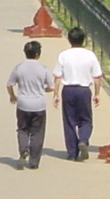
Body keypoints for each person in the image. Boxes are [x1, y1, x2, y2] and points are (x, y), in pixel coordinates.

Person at [51, 26, 102, 160]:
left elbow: (57, 77)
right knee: (86, 119)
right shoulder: (90, 55)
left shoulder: (64, 55)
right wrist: (97, 93)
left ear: (69, 39)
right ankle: (83, 140)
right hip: (84, 90)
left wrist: (55, 95)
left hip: (68, 90)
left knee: (69, 122)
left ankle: (72, 153)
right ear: (83, 39)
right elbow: (97, 77)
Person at [7, 39, 51, 169]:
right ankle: (34, 161)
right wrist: (44, 90)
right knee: (37, 132)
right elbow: (52, 87)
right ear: (38, 54)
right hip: (39, 104)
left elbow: (10, 84)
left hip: (23, 104)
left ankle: (23, 149)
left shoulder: (19, 68)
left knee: (23, 129)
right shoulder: (43, 69)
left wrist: (13, 96)